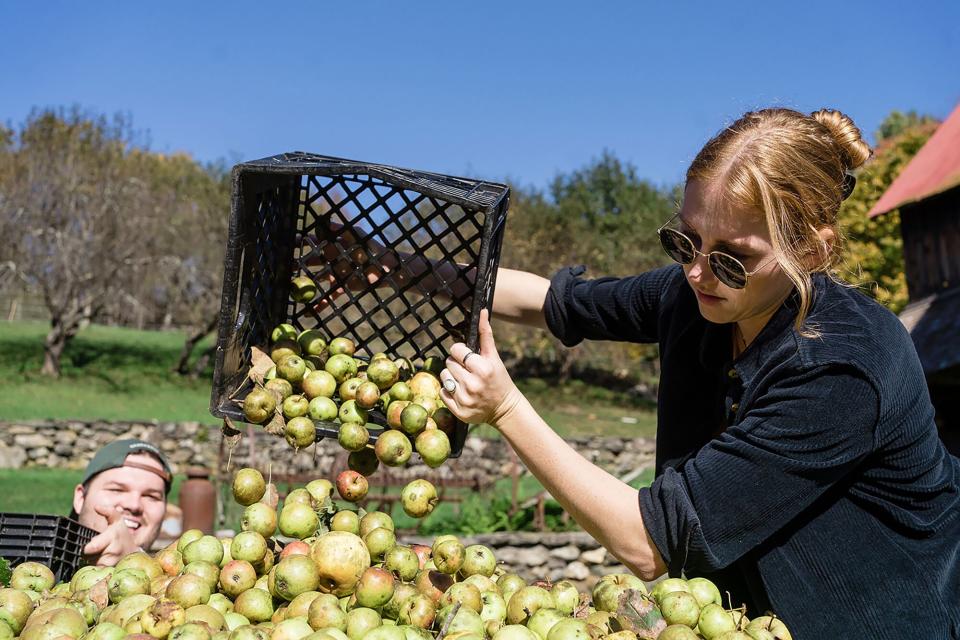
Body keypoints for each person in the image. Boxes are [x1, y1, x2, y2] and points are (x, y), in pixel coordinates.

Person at [432, 108, 960, 639]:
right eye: (685, 240)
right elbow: (555, 302)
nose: (696, 272)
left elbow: (651, 543)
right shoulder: (697, 296)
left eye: (733, 259)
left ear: (810, 249)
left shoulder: (841, 366)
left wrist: (505, 408)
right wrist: (389, 267)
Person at [71, 438, 172, 566]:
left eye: (151, 496)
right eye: (116, 489)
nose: (134, 505)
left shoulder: (182, 581)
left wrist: (134, 559)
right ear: (80, 499)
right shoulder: (41, 561)